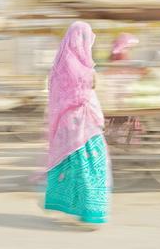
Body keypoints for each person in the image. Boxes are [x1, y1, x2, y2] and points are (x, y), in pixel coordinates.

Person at [44, 21, 112, 226]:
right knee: (91, 164)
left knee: (73, 163)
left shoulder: (60, 64)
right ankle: (91, 211)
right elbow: (84, 93)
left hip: (67, 124)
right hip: (83, 123)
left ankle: (66, 205)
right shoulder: (79, 66)